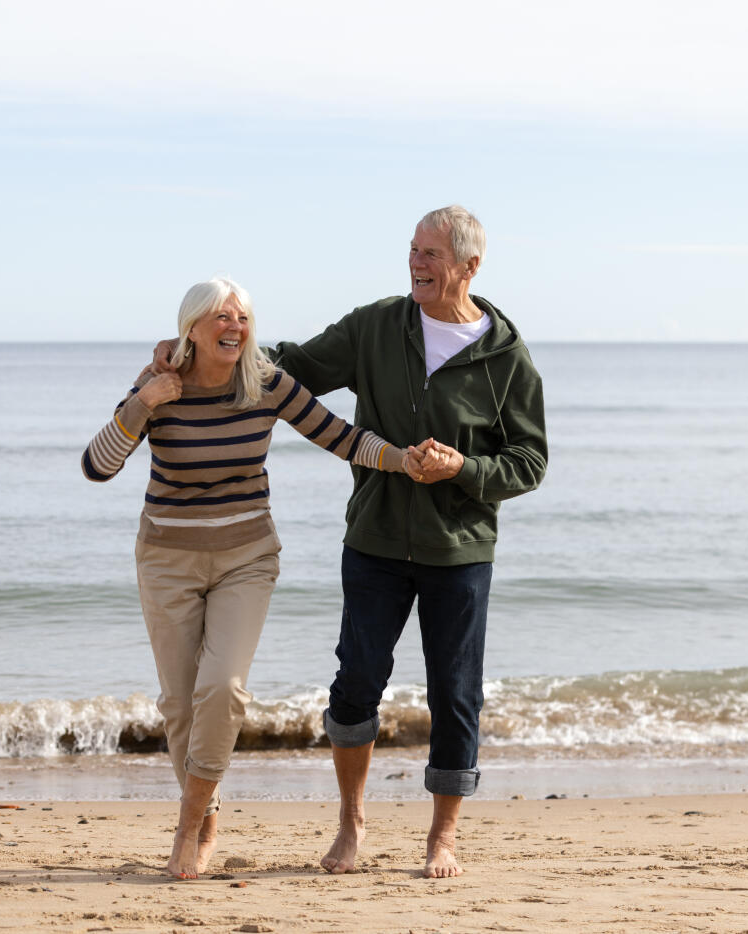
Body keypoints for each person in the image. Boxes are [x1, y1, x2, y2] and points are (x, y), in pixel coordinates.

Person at [153, 206, 548, 878]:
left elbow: (528, 461)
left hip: (460, 551)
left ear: (468, 267)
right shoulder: (376, 327)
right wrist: (195, 351)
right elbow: (287, 366)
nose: (417, 264)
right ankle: (351, 823)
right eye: (413, 251)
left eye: (431, 255)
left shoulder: (505, 355)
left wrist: (464, 469)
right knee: (355, 685)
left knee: (455, 694)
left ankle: (442, 838)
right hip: (375, 541)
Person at [83, 277, 413, 880]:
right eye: (220, 317)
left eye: (241, 316)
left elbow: (338, 435)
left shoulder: (265, 383)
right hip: (166, 558)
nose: (233, 325)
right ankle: (206, 814)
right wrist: (142, 402)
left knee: (223, 689)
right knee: (180, 705)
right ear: (191, 328)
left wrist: (403, 460)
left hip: (246, 556)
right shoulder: (160, 385)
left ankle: (186, 825)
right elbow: (96, 467)